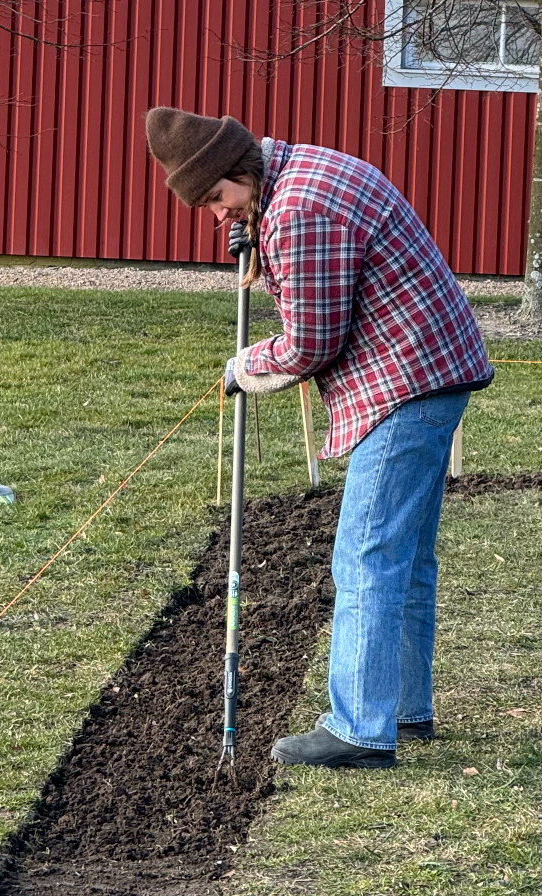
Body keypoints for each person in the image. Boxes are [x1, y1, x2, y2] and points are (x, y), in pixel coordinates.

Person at [146, 108, 493, 769]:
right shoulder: (294, 173)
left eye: (218, 200)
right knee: (406, 558)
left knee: (365, 557)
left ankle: (360, 730)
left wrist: (244, 366)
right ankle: (404, 710)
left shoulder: (297, 209)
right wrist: (261, 250)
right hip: (431, 370)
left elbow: (311, 342)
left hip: (407, 381)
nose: (218, 216)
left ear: (238, 170)